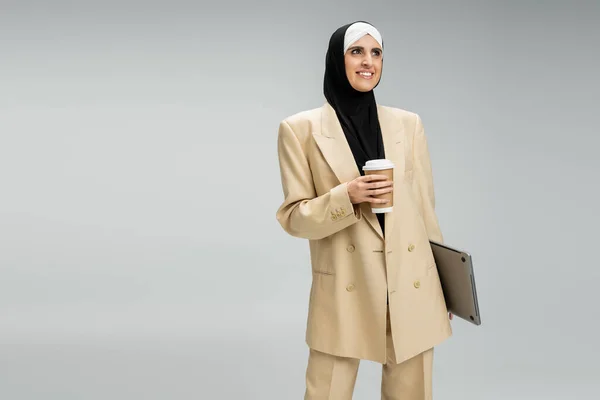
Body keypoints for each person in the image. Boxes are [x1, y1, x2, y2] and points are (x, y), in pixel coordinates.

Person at [275, 21, 453, 400]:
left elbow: (425, 209)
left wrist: (445, 286)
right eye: (356, 51)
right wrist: (347, 196)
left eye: (376, 53)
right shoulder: (299, 129)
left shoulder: (408, 124)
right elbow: (294, 218)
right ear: (337, 60)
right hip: (345, 284)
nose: (367, 62)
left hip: (410, 281)